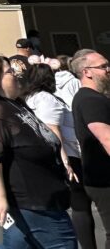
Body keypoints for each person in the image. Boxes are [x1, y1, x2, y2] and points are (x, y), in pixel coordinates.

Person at [0, 55, 75, 247]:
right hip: (30, 201)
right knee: (63, 244)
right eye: (10, 71)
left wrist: (62, 160)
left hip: (44, 196)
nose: (16, 74)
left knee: (19, 244)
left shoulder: (16, 105)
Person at [23, 61, 92, 249]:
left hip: (67, 154)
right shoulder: (45, 99)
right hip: (70, 155)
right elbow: (53, 132)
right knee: (79, 204)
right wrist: (65, 162)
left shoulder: (33, 98)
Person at [71, 49, 110, 249]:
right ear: (87, 72)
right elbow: (106, 137)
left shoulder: (95, 97)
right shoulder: (89, 99)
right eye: (103, 66)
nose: (108, 69)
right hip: (104, 178)